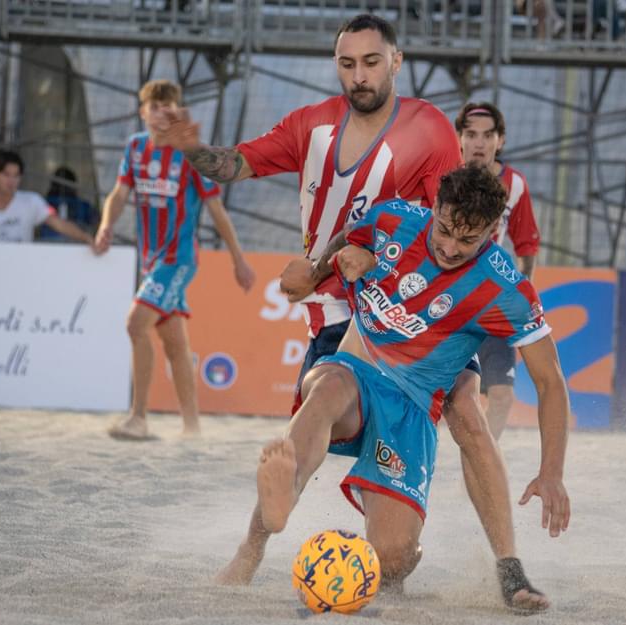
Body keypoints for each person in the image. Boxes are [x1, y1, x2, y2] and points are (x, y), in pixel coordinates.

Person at [154, 14, 532, 607]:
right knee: (318, 410)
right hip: (336, 309)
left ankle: (504, 569)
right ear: (338, 66)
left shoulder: (429, 128)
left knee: (465, 412)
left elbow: (450, 222)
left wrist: (449, 296)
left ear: (396, 61)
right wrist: (191, 149)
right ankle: (252, 547)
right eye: (348, 64)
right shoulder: (311, 125)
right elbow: (237, 165)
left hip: (414, 309)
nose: (360, 76)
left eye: (371, 62)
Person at [216, 165, 570, 611]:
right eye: (444, 230)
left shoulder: (505, 288)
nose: (449, 247)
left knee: (394, 557)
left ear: (492, 231)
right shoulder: (393, 220)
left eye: (468, 240)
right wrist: (317, 272)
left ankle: (404, 551)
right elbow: (349, 238)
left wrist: (552, 471)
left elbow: (551, 381)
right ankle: (258, 536)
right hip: (358, 370)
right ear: (434, 208)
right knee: (324, 389)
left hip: (413, 407)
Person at [94, 79, 255, 440]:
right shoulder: (135, 147)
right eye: (153, 105)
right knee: (175, 344)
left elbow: (217, 210)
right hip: (152, 260)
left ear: (178, 112)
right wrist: (106, 225)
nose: (160, 112)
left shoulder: (190, 153)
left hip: (179, 259)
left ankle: (138, 418)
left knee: (136, 324)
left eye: (168, 106)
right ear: (143, 111)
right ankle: (193, 427)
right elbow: (119, 194)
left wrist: (238, 260)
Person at [455, 102, 541, 439]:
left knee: (502, 397)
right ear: (459, 139)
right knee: (436, 394)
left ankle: (480, 469)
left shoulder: (514, 185)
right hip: (444, 300)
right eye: (471, 134)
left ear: (500, 140)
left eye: (487, 135)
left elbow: (527, 244)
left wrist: (523, 297)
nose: (479, 143)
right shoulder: (443, 176)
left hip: (492, 302)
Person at [0, 150, 94, 246]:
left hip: (21, 266)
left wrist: (87, 238)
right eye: (6, 174)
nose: (11, 181)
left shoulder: (32, 201)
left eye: (16, 175)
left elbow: (59, 224)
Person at [38, 166, 99, 242]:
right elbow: (97, 221)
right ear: (73, 185)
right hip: (76, 245)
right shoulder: (43, 204)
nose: (63, 188)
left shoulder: (43, 203)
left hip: (47, 245)